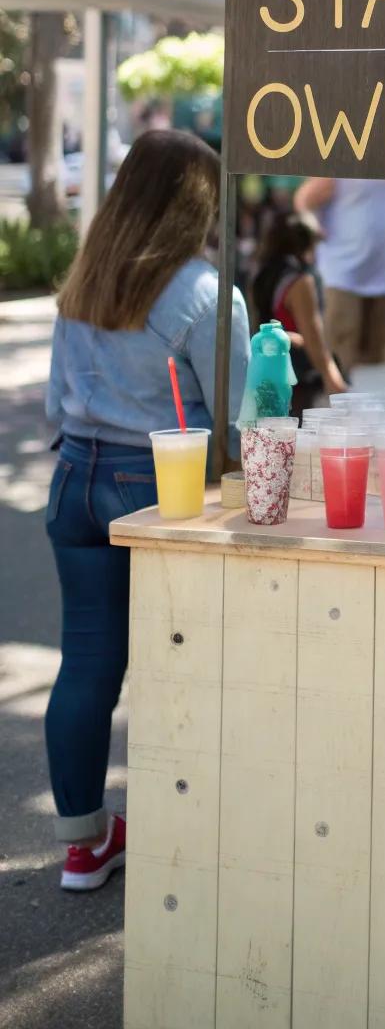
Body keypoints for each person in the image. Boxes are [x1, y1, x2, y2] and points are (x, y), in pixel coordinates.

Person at [44, 129, 250, 890]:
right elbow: (241, 425)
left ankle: (82, 843)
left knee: (86, 667)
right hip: (163, 487)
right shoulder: (207, 294)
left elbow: (54, 404)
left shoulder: (85, 280)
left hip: (76, 477)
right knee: (182, 664)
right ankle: (186, 834)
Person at [294, 177, 385, 377]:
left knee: (381, 364)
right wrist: (313, 229)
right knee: (341, 358)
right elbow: (304, 199)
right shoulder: (344, 162)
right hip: (341, 276)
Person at [250, 210, 347, 414]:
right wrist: (332, 377)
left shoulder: (262, 274)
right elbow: (313, 338)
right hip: (297, 380)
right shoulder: (300, 282)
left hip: (266, 373)